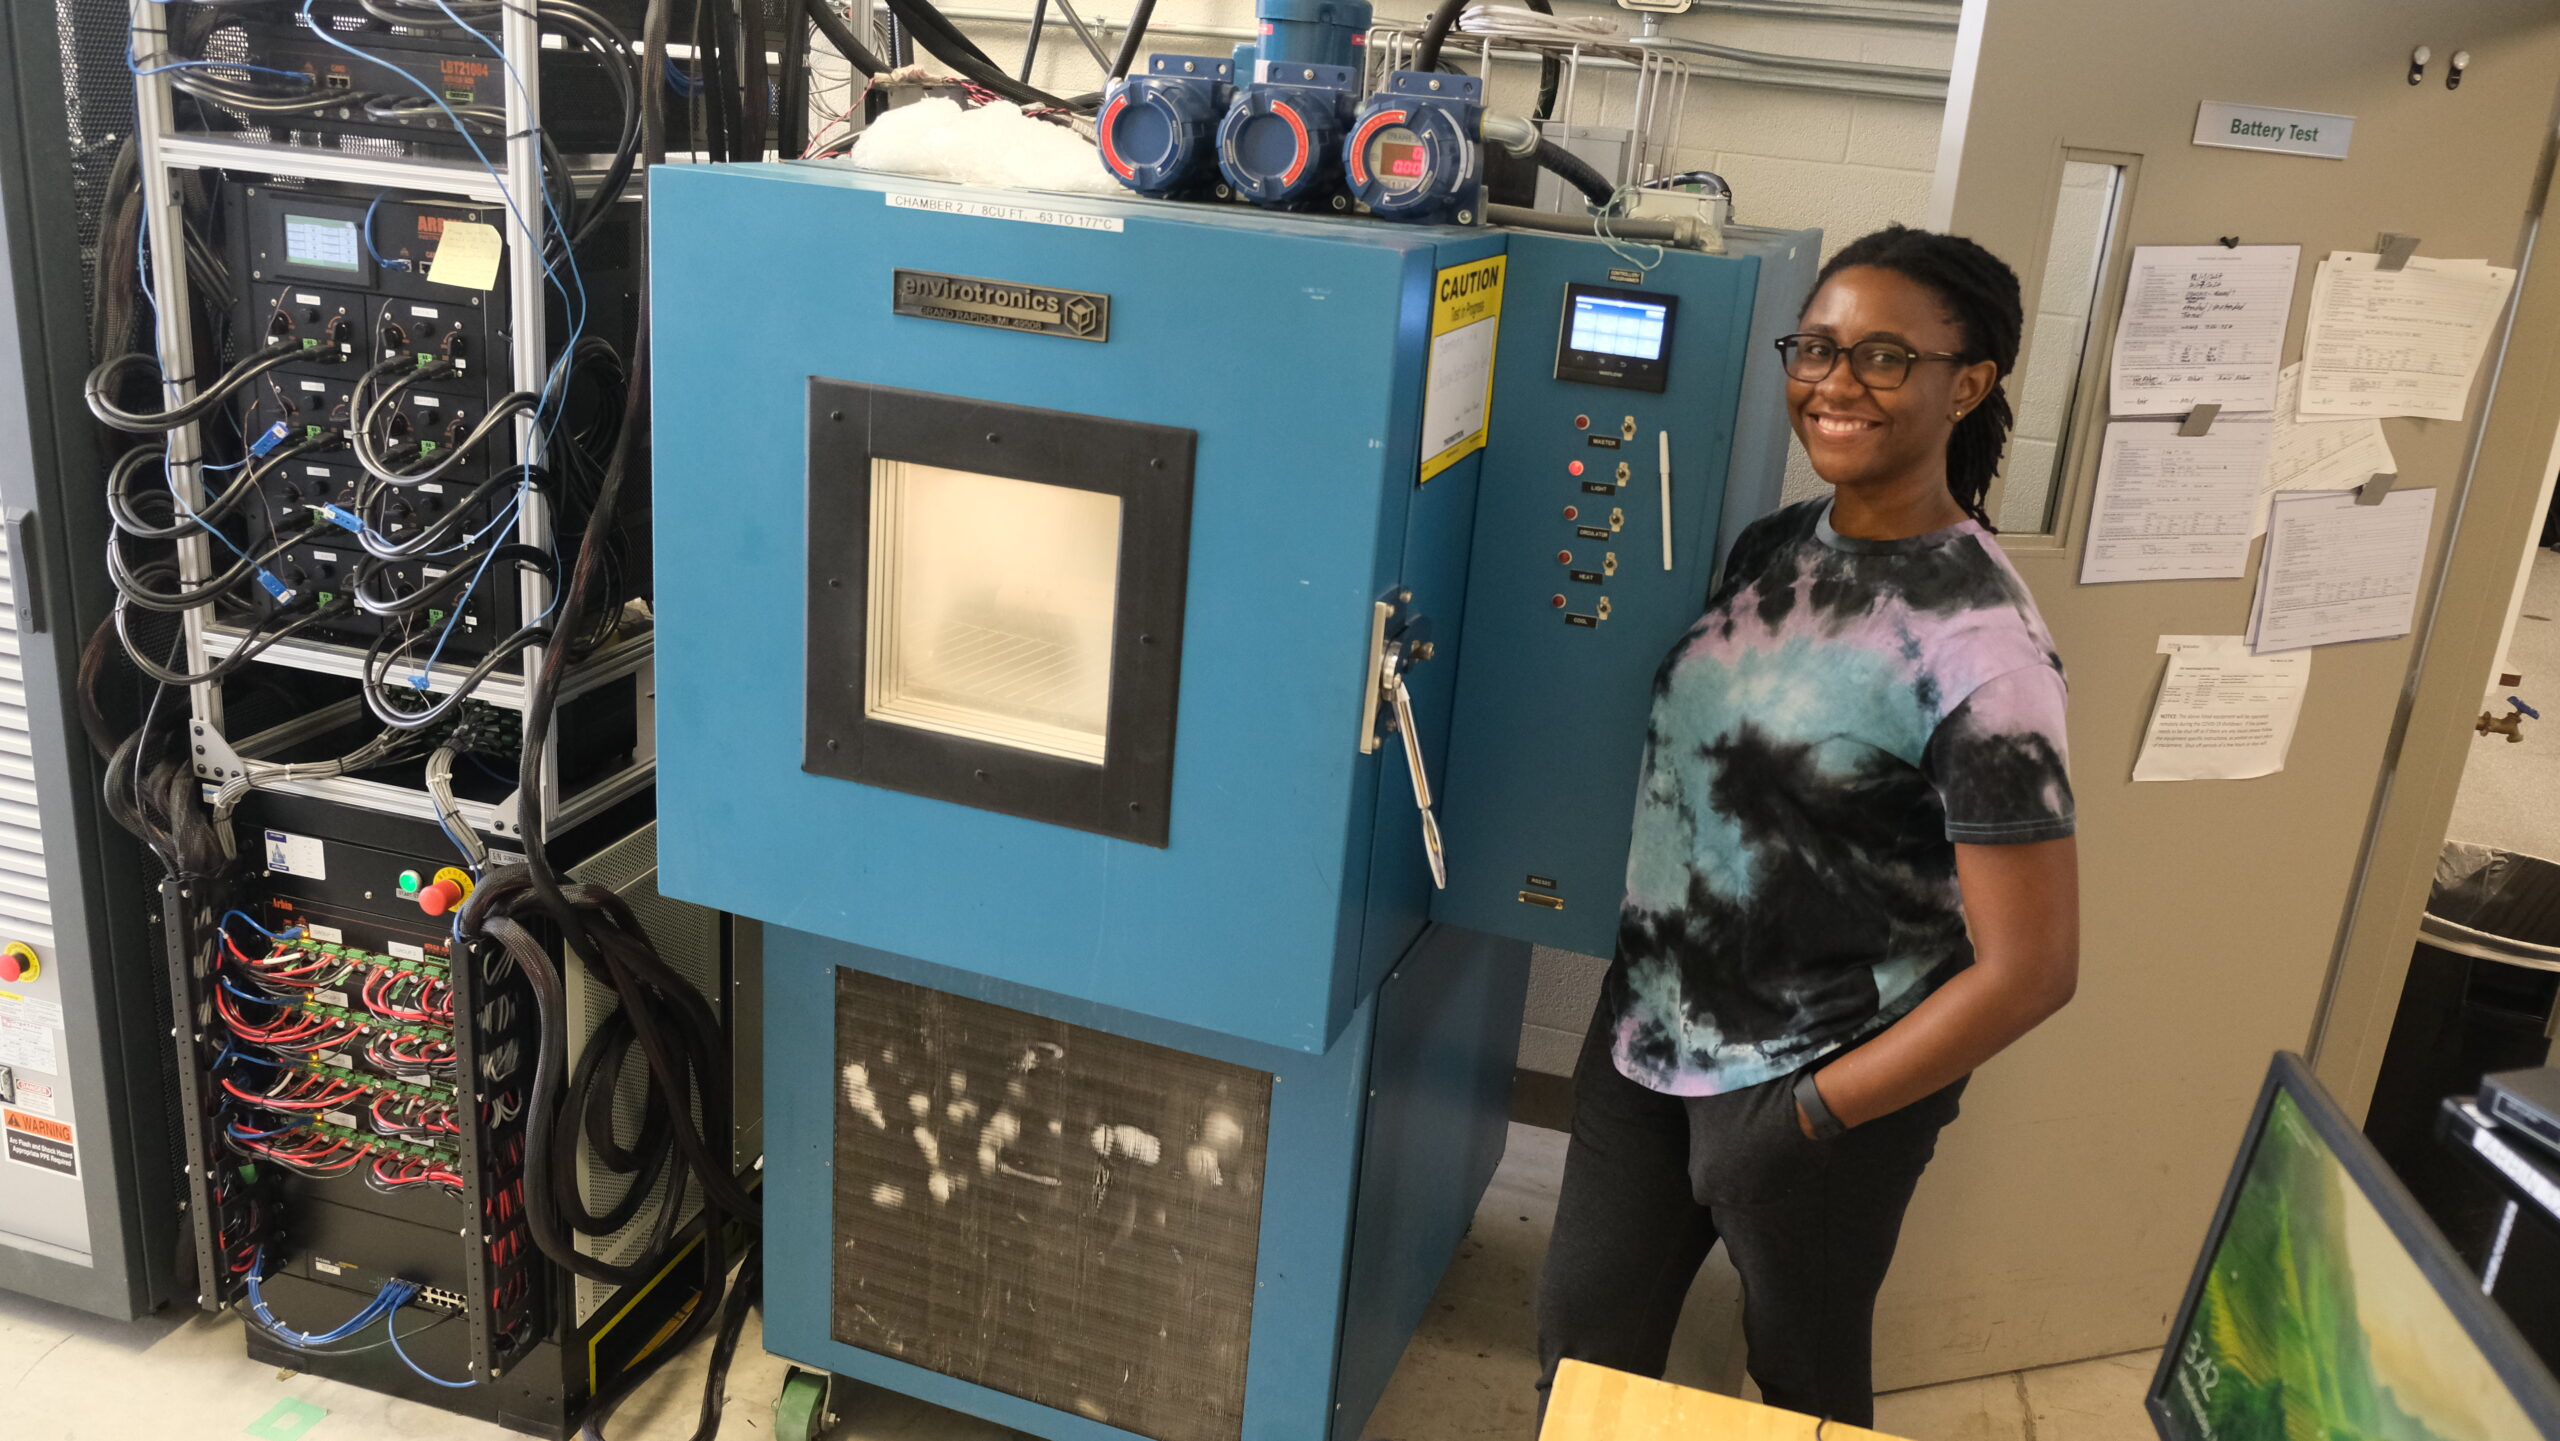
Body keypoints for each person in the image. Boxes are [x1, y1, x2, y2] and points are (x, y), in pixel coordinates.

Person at [1534, 225, 2082, 1426]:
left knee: (1798, 1391)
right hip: (1648, 1034)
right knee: (1583, 1359)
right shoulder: (1777, 545)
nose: (1834, 381)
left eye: (1883, 356)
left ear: (1969, 382)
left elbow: (2033, 971)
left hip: (1821, 1073)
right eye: (1817, 347)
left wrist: (1810, 1118)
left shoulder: (1981, 652)